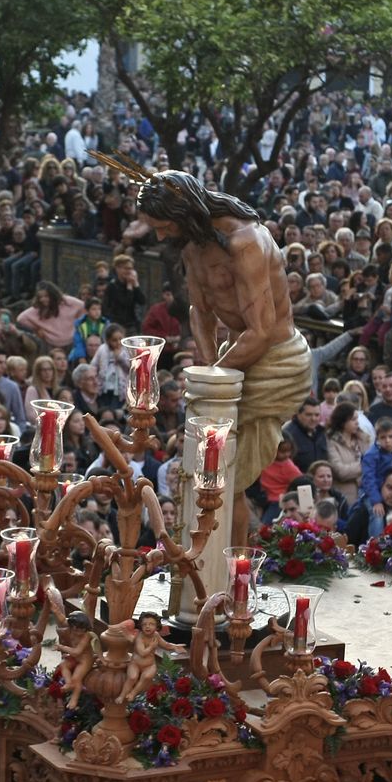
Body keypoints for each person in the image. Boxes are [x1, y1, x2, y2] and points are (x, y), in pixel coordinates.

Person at [121, 163, 311, 547]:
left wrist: (212, 381)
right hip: (235, 357)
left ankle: (228, 569)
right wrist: (209, 369)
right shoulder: (193, 246)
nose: (159, 235)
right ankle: (214, 566)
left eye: (163, 225)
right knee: (213, 471)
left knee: (229, 476)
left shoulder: (246, 243)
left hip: (276, 360)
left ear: (184, 214)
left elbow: (260, 332)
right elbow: (200, 312)